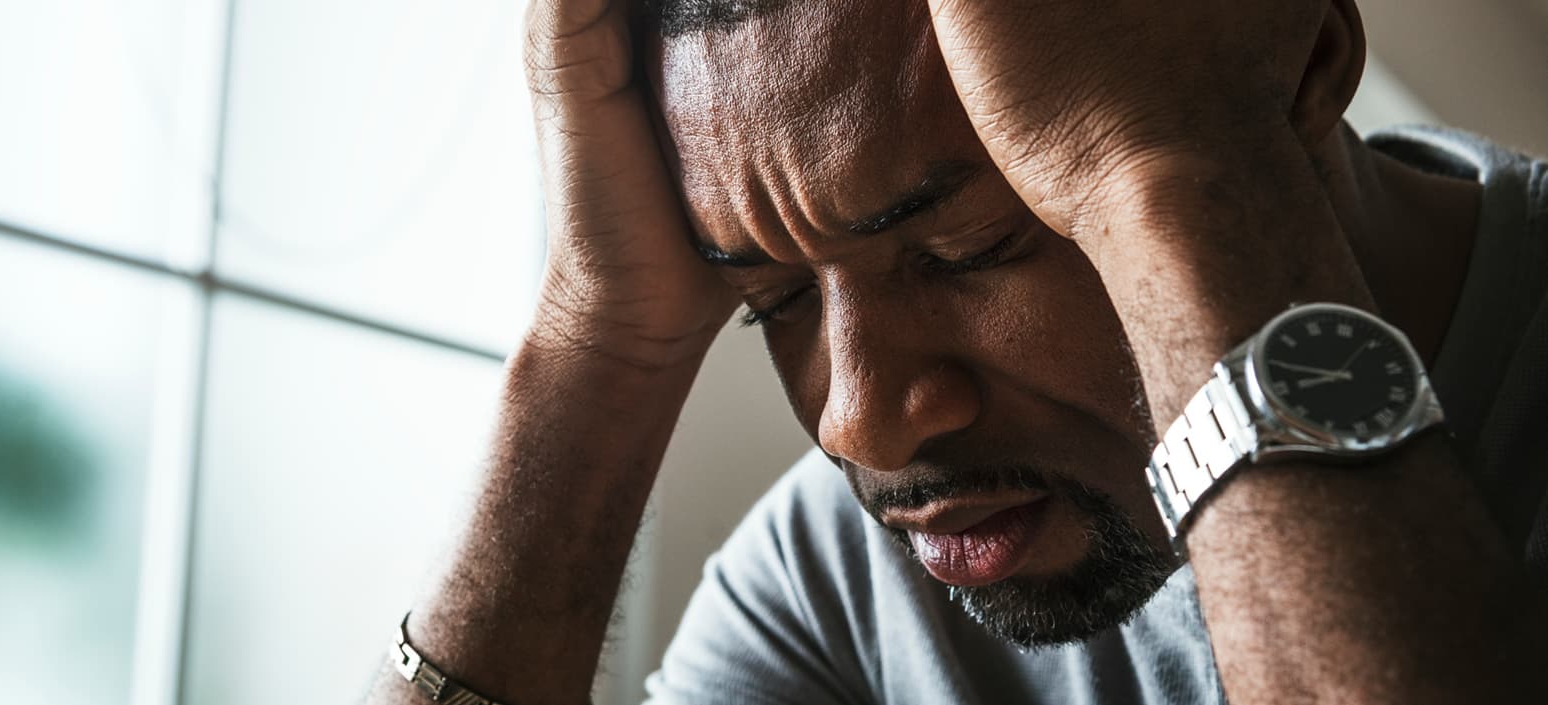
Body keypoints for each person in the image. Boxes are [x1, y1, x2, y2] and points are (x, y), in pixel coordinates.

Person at [369, 0, 1548, 702]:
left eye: (972, 249)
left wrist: (1182, 177)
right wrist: (598, 341)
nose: (861, 425)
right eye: (767, 302)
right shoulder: (837, 575)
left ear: (1297, 67)